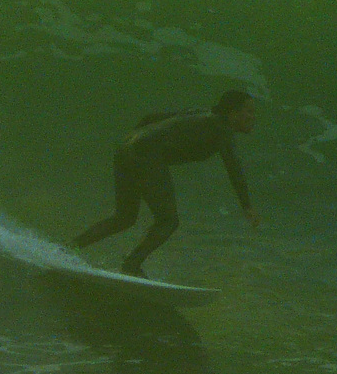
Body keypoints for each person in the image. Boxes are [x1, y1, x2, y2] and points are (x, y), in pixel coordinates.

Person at [73, 89, 260, 276]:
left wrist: (133, 140)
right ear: (233, 113)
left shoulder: (199, 113)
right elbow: (234, 168)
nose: (253, 117)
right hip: (145, 157)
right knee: (168, 221)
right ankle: (131, 265)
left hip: (127, 148)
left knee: (125, 218)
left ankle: (68, 249)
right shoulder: (222, 129)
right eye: (249, 111)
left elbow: (150, 118)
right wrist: (247, 206)